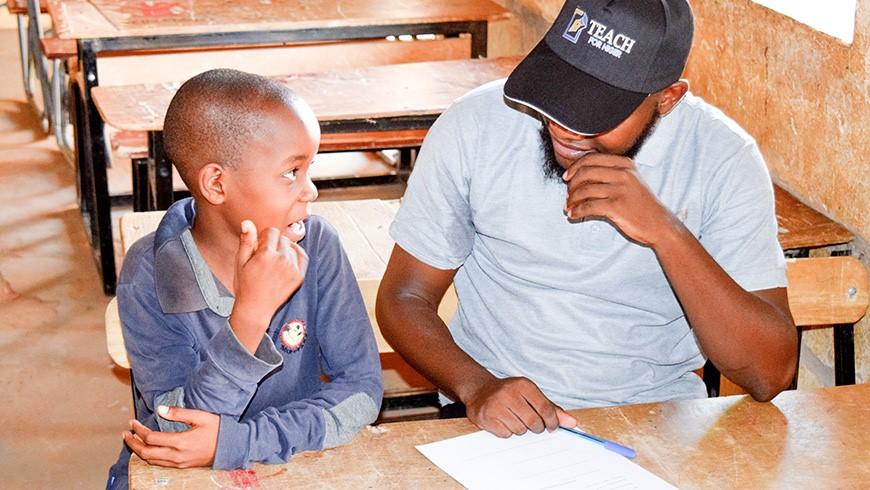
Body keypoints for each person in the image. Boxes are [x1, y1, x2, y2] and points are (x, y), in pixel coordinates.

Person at [377, 0, 797, 438]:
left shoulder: (722, 158)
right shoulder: (476, 125)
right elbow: (404, 297)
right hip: (495, 416)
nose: (565, 127)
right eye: (557, 93)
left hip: (656, 421)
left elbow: (768, 374)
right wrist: (476, 386)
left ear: (668, 99)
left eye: (598, 111)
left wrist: (665, 232)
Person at [107, 69, 383, 488]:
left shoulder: (317, 245)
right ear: (217, 183)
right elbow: (175, 434)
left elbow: (361, 391)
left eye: (310, 168)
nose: (310, 190)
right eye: (292, 172)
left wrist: (241, 441)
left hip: (286, 464)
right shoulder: (148, 271)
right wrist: (249, 317)